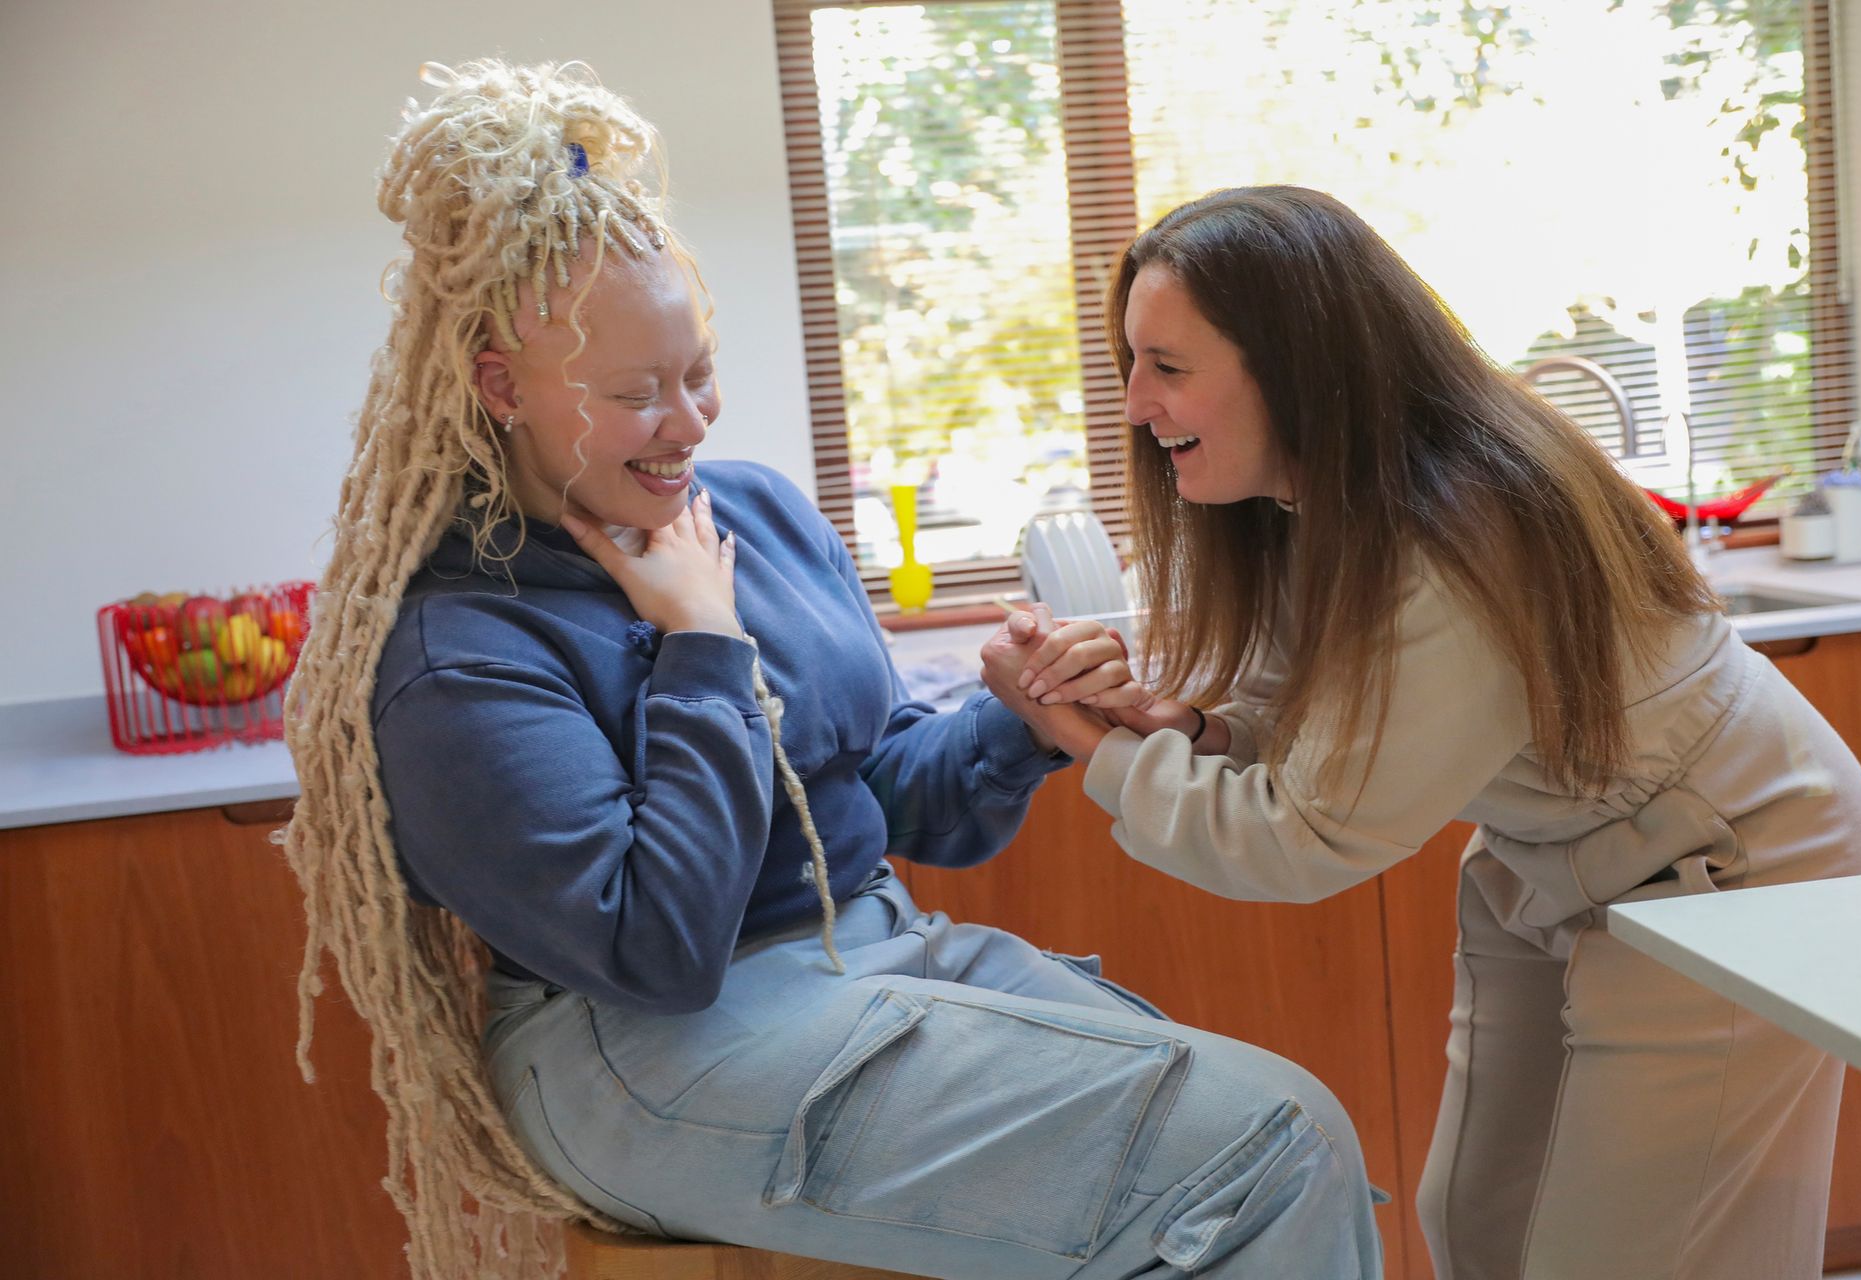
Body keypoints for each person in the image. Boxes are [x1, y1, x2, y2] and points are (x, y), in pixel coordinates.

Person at [281, 65, 1385, 1280]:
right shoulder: (462, 645)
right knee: (1273, 1151)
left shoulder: (752, 511)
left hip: (876, 956)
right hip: (636, 1050)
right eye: (634, 394)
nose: (689, 422)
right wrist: (703, 647)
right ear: (504, 390)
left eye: (696, 371)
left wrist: (1016, 719)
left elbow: (883, 801)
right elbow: (659, 950)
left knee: (1281, 1162)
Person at [986, 185, 1861, 1280]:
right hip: (1560, 856)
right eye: (1132, 362)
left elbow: (1305, 835)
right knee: (1478, 1222)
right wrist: (1185, 725)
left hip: (1736, 864)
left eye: (1169, 367)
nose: (1135, 404)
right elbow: (1317, 713)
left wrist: (1101, 750)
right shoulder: (1310, 507)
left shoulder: (1456, 537)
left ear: (1293, 363)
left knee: (1624, 1257)